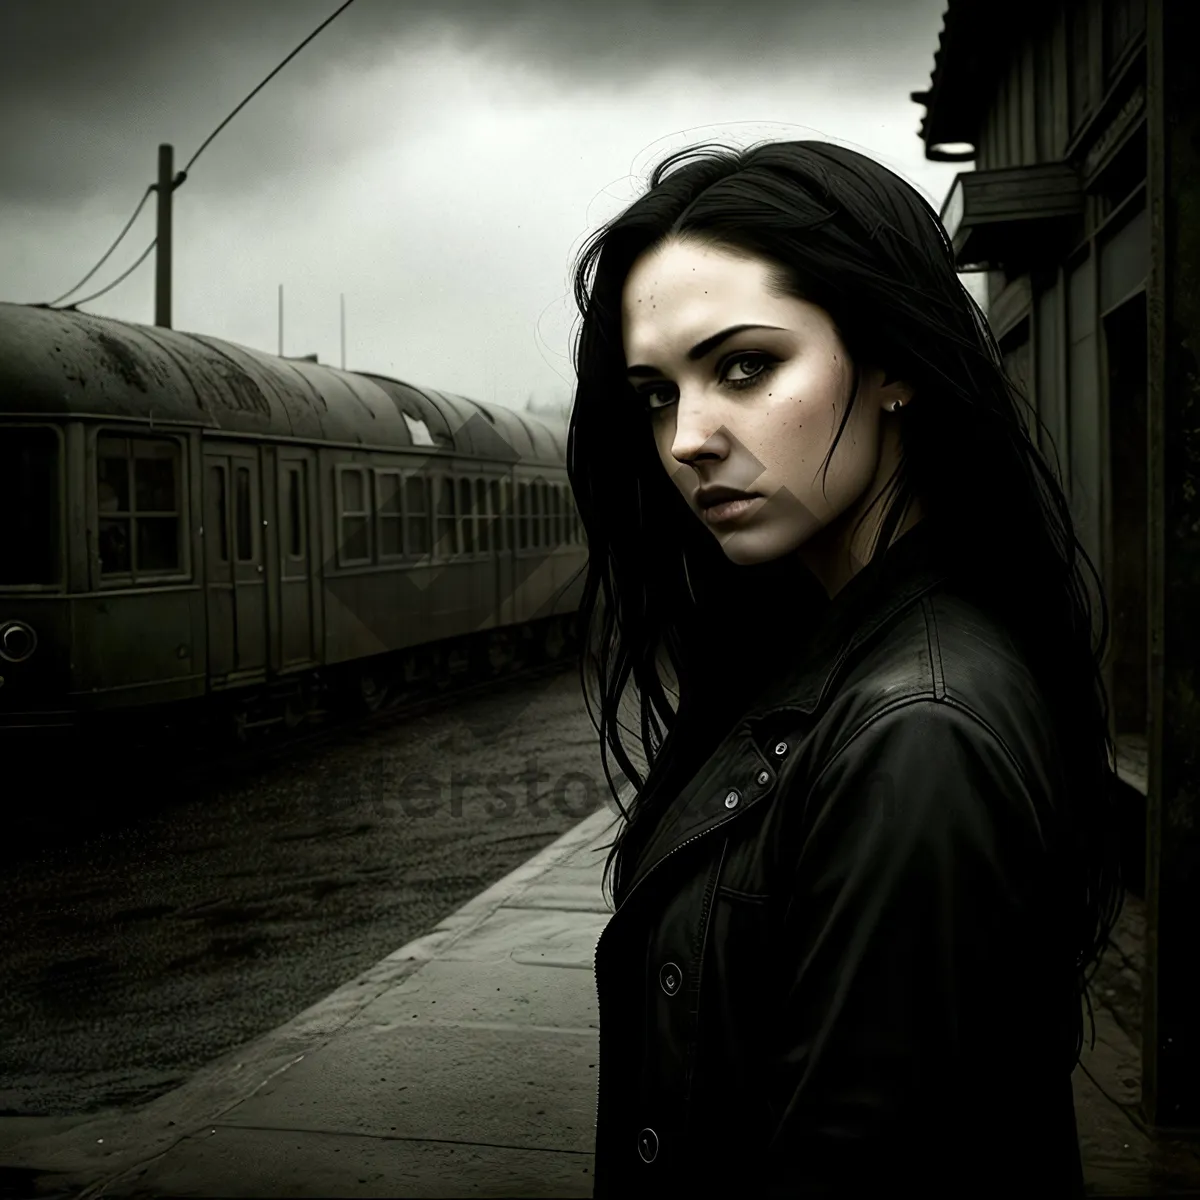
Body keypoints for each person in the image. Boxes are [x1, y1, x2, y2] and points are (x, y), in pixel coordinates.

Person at [565, 140, 1124, 1198]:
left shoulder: (917, 727)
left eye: (744, 366)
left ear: (892, 364)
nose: (687, 438)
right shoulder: (839, 652)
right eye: (654, 393)